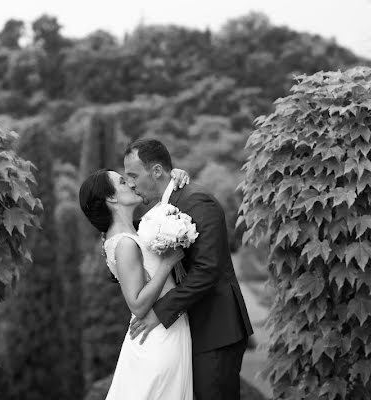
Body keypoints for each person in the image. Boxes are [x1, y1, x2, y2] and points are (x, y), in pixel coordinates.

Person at [124, 138, 253, 400]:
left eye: (133, 175)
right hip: (187, 332)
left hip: (216, 329)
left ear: (157, 171)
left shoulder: (197, 201)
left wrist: (159, 313)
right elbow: (130, 245)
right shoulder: (157, 211)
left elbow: (207, 270)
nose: (131, 183)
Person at [79, 168, 193, 400]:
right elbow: (138, 305)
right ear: (111, 198)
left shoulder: (135, 232)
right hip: (157, 338)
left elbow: (161, 209)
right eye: (122, 181)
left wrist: (175, 180)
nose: (131, 184)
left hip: (167, 329)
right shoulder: (125, 244)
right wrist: (167, 264)